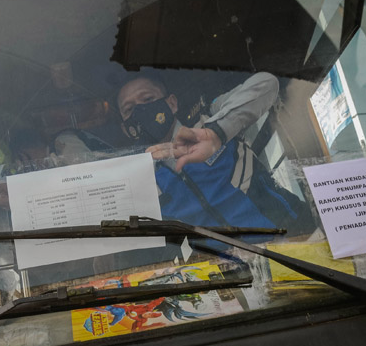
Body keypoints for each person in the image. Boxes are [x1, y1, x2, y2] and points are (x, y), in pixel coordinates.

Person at [116, 72, 311, 233]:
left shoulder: (212, 116)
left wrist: (217, 132)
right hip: (235, 274)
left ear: (172, 103)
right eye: (130, 109)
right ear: (125, 129)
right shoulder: (141, 184)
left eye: (148, 99)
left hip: (299, 238)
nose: (141, 111)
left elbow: (267, 84)